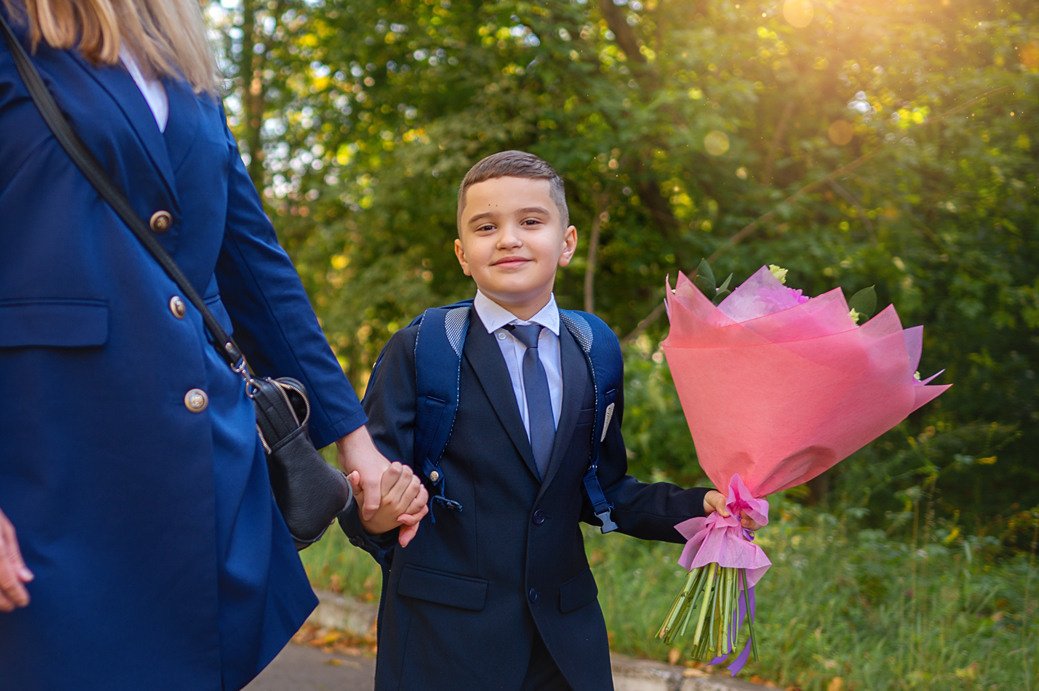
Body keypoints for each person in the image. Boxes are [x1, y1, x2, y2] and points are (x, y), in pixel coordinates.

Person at [0, 1, 426, 688]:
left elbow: (254, 262)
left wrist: (355, 442)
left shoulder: (181, 60)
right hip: (48, 469)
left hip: (199, 466)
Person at [340, 150, 761, 690]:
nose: (509, 239)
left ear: (567, 243)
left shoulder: (596, 348)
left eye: (531, 222)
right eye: (486, 226)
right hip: (443, 640)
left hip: (564, 642)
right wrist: (377, 516)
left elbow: (601, 490)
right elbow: (363, 496)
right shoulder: (421, 348)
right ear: (462, 253)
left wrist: (698, 508)